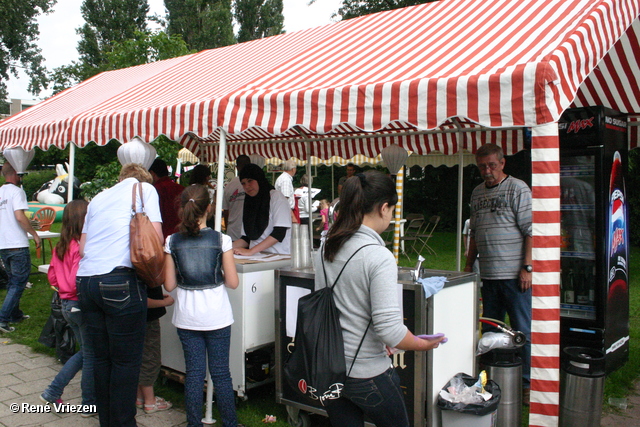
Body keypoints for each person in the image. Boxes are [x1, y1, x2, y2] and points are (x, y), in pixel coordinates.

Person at [315, 171, 445, 427]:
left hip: (329, 368)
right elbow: (390, 331)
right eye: (393, 210)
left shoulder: (326, 245)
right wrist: (421, 344)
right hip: (366, 372)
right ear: (384, 208)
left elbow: (331, 306)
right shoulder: (378, 256)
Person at [77, 163, 162, 426]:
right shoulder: (144, 189)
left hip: (86, 280)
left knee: (101, 359)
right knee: (126, 363)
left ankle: (107, 421)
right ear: (143, 178)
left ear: (120, 178)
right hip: (120, 280)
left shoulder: (99, 197)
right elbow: (155, 238)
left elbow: (82, 247)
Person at [163, 184, 242, 427]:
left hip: (187, 317)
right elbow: (233, 282)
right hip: (217, 315)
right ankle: (230, 423)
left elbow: (168, 285)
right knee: (221, 374)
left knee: (194, 374)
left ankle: (193, 423)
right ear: (209, 208)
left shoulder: (172, 241)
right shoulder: (222, 240)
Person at [464, 143, 532, 405]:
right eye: (482, 166)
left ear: (502, 163)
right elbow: (475, 235)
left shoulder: (518, 188)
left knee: (520, 330)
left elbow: (530, 231)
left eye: (492, 165)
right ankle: (487, 379)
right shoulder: (477, 193)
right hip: (489, 276)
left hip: (515, 277)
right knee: (489, 333)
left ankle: (525, 385)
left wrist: (527, 268)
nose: (487, 170)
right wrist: (469, 267)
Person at [40, 200, 96, 416]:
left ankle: (54, 391)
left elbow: (52, 276)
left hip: (65, 303)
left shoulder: (61, 246)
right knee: (89, 355)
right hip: (78, 304)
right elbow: (75, 280)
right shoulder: (79, 247)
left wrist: (63, 288)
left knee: (85, 352)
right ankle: (86, 402)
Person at [0, 161, 41, 333]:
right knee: (18, 283)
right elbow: (19, 216)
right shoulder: (17, 192)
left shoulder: (1, 192)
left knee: (12, 282)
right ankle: (2, 319)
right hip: (17, 244)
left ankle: (15, 314)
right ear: (16, 174)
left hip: (3, 244)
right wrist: (34, 233)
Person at [232, 164, 292, 255]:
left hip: (276, 257)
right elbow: (247, 238)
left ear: (259, 179)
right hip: (255, 258)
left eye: (250, 181)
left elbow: (279, 233)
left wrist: (251, 251)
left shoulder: (276, 197)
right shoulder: (249, 202)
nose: (247, 186)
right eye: (243, 183)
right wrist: (226, 247)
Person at [135, 285, 174, 414]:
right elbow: (140, 299)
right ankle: (150, 401)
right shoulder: (142, 265)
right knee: (150, 357)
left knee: (139, 356)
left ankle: (140, 397)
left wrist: (157, 297)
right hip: (147, 317)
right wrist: (163, 302)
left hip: (135, 316)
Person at [149, 158, 184, 238]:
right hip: (182, 235)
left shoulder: (153, 190)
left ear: (152, 173)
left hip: (161, 235)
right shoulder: (181, 189)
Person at [222, 154, 250, 241]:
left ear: (237, 168)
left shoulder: (229, 186)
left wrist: (227, 229)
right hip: (250, 233)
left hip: (233, 231)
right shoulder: (254, 185)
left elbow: (226, 212)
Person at [274, 159, 297, 223]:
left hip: (283, 210)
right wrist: (292, 216)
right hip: (284, 211)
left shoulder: (283, 177)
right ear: (293, 169)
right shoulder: (286, 180)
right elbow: (285, 200)